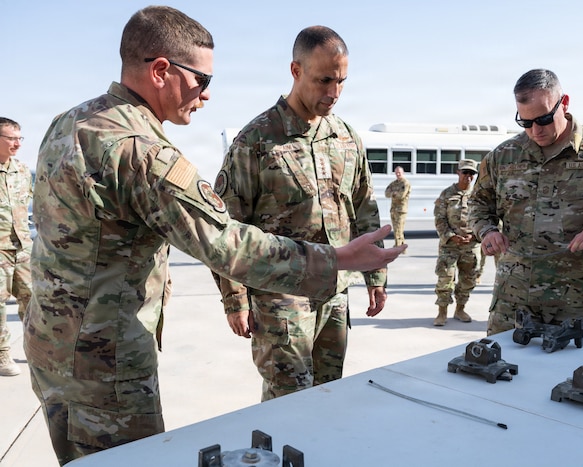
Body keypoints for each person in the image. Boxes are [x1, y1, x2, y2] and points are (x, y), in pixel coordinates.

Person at [24, 8, 404, 465]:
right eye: (201, 80)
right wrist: (337, 259)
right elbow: (228, 243)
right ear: (162, 70)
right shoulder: (141, 150)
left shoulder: (73, 121)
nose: (206, 96)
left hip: (55, 342)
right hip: (105, 361)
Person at [213, 25, 390, 402]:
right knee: (288, 399)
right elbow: (225, 225)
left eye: (342, 81)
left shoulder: (346, 138)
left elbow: (364, 207)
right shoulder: (257, 140)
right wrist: (235, 298)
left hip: (335, 291)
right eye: (324, 80)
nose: (334, 93)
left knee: (328, 393)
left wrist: (375, 275)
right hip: (280, 294)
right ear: (296, 71)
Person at [468, 69, 583, 336]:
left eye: (544, 119)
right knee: (504, 370)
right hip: (513, 297)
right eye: (526, 122)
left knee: (573, 374)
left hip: (575, 299)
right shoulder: (503, 156)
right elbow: (477, 205)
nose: (535, 130)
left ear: (564, 103)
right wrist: (486, 231)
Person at [0, 117, 33, 377]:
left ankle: (37, 351)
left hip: (23, 248)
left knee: (33, 301)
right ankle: (2, 355)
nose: (18, 144)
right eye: (12, 138)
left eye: (20, 138)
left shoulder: (22, 171)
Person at [432, 159, 480, 326]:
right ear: (458, 172)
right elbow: (439, 219)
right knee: (445, 277)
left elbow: (486, 218)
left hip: (471, 245)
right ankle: (442, 312)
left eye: (472, 173)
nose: (468, 176)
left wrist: (475, 236)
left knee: (468, 279)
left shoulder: (479, 195)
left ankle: (460, 309)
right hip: (449, 245)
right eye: (465, 172)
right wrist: (450, 236)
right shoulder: (447, 194)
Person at [385, 165, 411, 247]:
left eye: (399, 173)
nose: (398, 174)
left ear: (402, 173)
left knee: (399, 229)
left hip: (401, 210)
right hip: (393, 209)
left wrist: (393, 193)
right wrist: (394, 193)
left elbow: (401, 195)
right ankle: (402, 247)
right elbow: (386, 193)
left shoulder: (405, 183)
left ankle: (398, 246)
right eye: (396, 173)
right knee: (396, 228)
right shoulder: (394, 183)